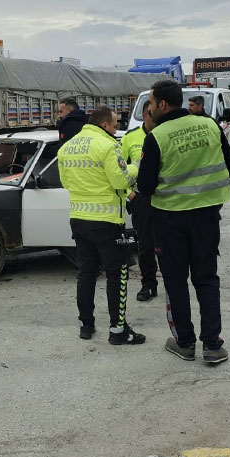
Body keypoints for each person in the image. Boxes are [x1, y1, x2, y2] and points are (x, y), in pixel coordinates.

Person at [137, 80, 230, 365]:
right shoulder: (210, 126)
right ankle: (212, 345)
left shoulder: (157, 136)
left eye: (152, 104)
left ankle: (184, 342)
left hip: (170, 220)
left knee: (175, 281)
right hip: (206, 217)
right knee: (207, 279)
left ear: (162, 105)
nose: (151, 109)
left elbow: (144, 186)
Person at [59, 106, 146, 346]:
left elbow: (66, 181)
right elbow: (121, 179)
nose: (116, 128)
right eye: (115, 124)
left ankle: (85, 325)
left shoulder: (68, 147)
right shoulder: (108, 146)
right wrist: (136, 166)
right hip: (107, 223)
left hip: (79, 219)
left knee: (86, 273)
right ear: (105, 125)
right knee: (116, 274)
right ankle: (118, 330)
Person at [120, 103, 159, 302]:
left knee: (169, 244)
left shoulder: (166, 134)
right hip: (141, 199)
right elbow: (119, 169)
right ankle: (148, 284)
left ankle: (172, 283)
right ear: (146, 115)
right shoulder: (130, 138)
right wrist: (129, 194)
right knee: (145, 245)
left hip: (166, 197)